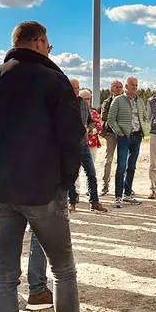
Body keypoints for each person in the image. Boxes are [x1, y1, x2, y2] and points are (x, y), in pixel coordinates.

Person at [0, 21, 85, 312]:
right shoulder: (53, 80)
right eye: (49, 45)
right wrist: (65, 182)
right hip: (44, 190)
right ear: (39, 42)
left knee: (5, 275)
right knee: (62, 270)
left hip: (0, 190)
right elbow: (73, 137)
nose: (50, 50)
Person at [106, 76, 145, 209]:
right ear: (126, 86)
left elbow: (143, 116)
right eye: (132, 85)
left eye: (136, 85)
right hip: (124, 137)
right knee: (121, 166)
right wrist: (119, 131)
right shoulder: (118, 100)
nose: (134, 87)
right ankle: (118, 197)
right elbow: (110, 119)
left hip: (137, 136)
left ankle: (127, 194)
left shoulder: (139, 101)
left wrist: (142, 129)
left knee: (131, 166)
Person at [67, 79, 106, 213]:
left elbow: (90, 121)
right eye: (73, 88)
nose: (76, 90)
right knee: (71, 175)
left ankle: (94, 202)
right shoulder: (63, 103)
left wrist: (88, 129)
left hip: (84, 143)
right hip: (70, 145)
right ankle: (72, 202)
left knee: (91, 173)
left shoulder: (83, 103)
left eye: (78, 88)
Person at [75, 89, 102, 200]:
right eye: (84, 98)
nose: (87, 100)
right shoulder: (75, 109)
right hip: (79, 143)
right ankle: (76, 192)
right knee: (76, 169)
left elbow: (98, 127)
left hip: (92, 144)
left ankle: (89, 191)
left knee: (90, 169)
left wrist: (89, 130)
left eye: (88, 98)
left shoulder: (94, 112)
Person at [98, 80, 123, 196]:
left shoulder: (126, 101)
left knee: (123, 161)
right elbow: (104, 117)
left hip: (123, 134)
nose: (118, 89)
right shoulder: (107, 102)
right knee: (108, 160)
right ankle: (105, 185)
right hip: (111, 134)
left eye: (120, 87)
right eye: (116, 87)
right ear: (111, 89)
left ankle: (124, 186)